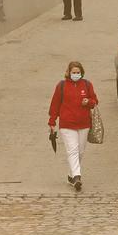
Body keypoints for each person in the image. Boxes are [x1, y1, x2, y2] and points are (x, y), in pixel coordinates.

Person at [49, 60, 98, 191]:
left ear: (81, 73)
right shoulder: (62, 86)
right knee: (72, 150)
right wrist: (52, 122)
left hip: (84, 124)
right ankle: (77, 176)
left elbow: (94, 102)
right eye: (73, 72)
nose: (76, 74)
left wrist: (88, 102)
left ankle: (71, 176)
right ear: (68, 73)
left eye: (78, 72)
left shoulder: (87, 85)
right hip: (67, 124)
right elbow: (55, 105)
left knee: (80, 151)